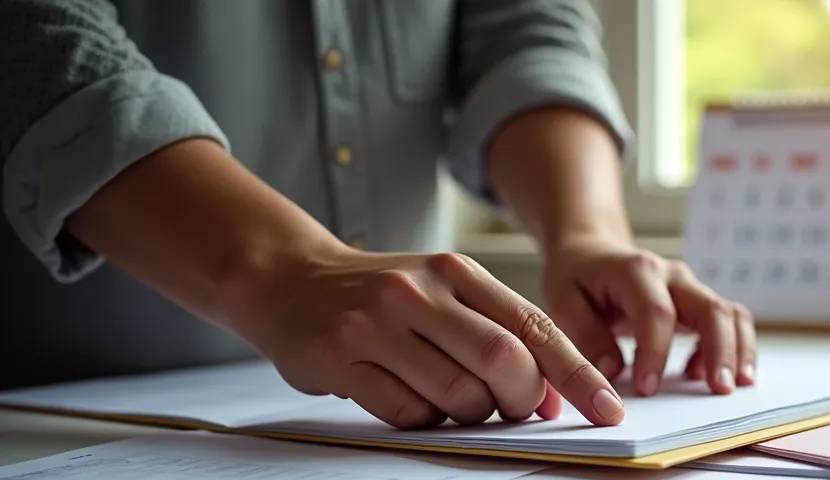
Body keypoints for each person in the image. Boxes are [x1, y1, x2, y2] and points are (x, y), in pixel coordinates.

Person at [0, 0, 757, 430]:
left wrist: (585, 232)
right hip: (57, 433)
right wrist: (288, 273)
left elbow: (528, 32)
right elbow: (36, 38)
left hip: (404, 435)